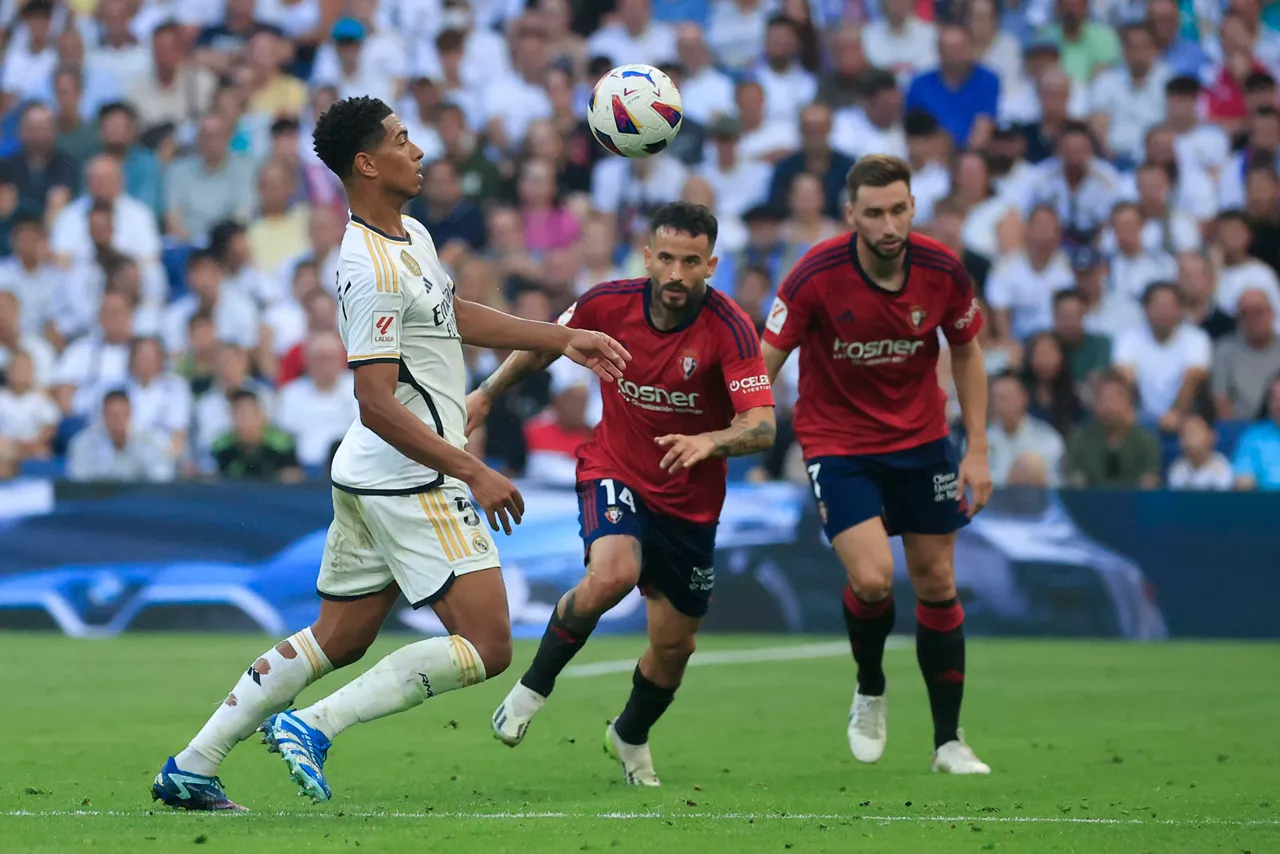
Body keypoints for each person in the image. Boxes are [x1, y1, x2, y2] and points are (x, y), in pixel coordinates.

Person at [150, 96, 628, 811]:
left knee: (337, 637)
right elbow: (374, 402)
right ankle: (314, 725)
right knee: (490, 644)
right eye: (403, 140)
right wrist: (473, 467)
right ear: (367, 163)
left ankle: (193, 764)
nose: (420, 150)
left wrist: (560, 339)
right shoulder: (365, 265)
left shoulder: (411, 237)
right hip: (414, 475)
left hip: (372, 474)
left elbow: (451, 314)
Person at [465, 202, 777, 787]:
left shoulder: (731, 328)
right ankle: (534, 687)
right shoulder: (607, 303)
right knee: (612, 574)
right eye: (666, 258)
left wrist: (711, 440)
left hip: (689, 506)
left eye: (691, 261)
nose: (677, 273)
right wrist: (485, 393)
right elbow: (547, 343)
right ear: (647, 257)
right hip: (616, 467)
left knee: (674, 647)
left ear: (712, 264)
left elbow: (762, 424)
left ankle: (629, 733)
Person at [759, 155, 993, 775]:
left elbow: (967, 354)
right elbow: (766, 359)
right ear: (850, 216)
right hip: (838, 443)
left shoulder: (943, 270)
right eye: (874, 213)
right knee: (871, 581)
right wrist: (740, 424)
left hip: (921, 442)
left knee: (938, 582)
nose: (888, 224)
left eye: (898, 210)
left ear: (913, 207)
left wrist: (978, 447)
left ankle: (949, 742)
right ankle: (870, 687)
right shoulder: (815, 274)